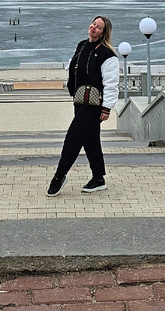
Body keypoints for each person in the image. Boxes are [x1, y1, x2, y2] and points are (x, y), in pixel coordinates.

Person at [47, 15, 119, 196]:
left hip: (95, 105)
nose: (94, 27)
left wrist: (107, 108)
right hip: (80, 101)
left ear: (103, 33)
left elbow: (111, 83)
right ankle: (98, 178)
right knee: (90, 140)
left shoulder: (107, 54)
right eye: (94, 24)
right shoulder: (82, 45)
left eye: (99, 27)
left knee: (73, 138)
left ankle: (59, 176)